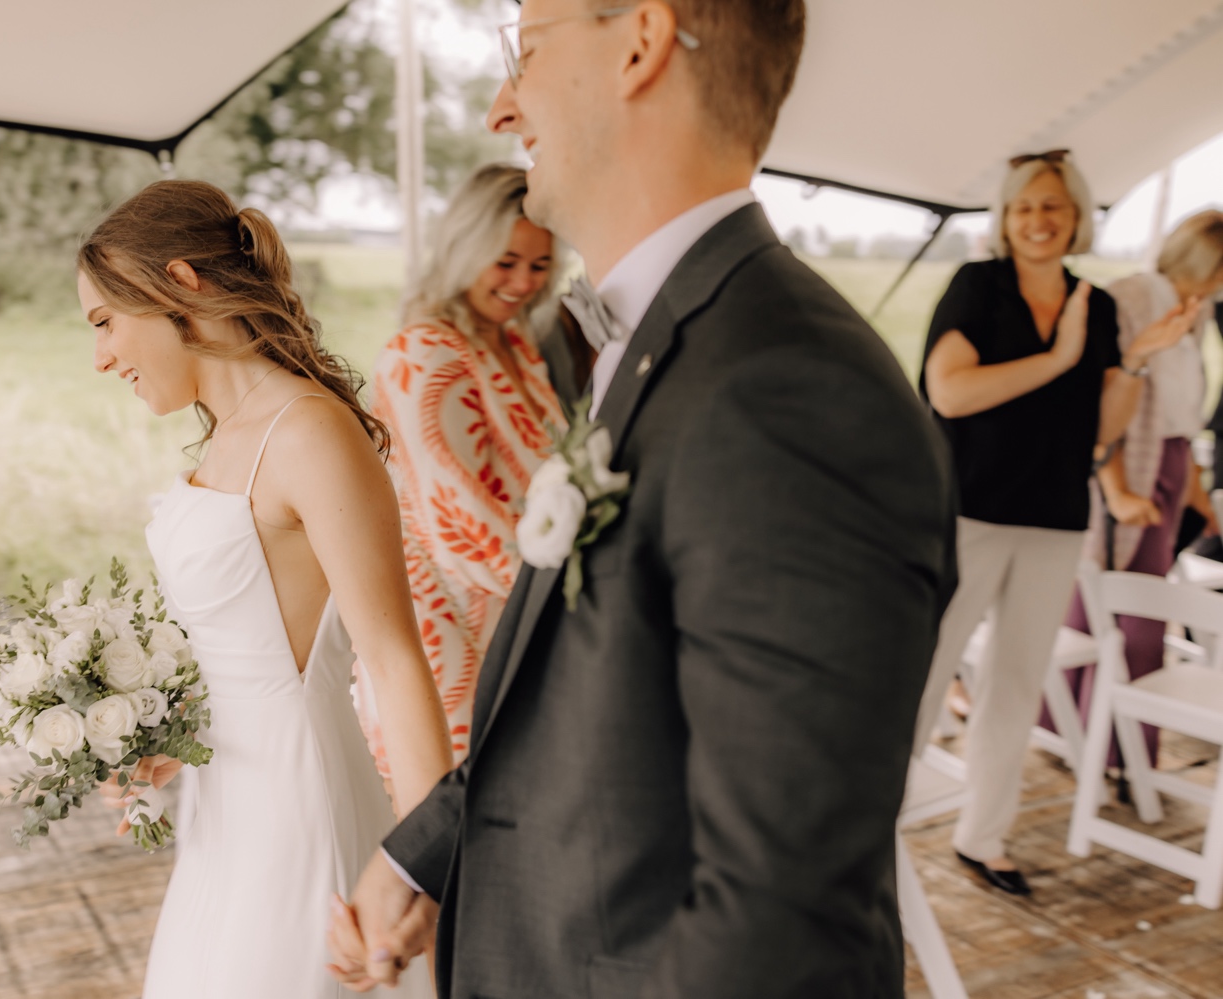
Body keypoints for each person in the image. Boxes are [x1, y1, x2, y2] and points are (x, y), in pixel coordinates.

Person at [329, 2, 958, 997]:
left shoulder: (789, 391)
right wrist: (433, 852)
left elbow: (780, 916)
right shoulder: (664, 341)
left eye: (525, 53)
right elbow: (610, 686)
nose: (502, 106)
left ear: (641, 43)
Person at [76, 179, 451, 998]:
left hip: (296, 811)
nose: (101, 356)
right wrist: (165, 743)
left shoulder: (308, 431)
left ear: (180, 283)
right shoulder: (223, 442)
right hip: (220, 817)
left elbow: (392, 661)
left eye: (105, 322)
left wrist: (427, 864)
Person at [914, 151, 1195, 896]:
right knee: (926, 670)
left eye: (1053, 207)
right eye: (1024, 207)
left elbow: (1100, 431)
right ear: (1006, 218)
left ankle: (984, 837)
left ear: (1076, 218)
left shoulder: (1095, 304)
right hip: (969, 512)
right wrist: (1061, 355)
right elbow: (950, 392)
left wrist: (1132, 362)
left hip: (1056, 518)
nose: (1038, 220)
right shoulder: (980, 287)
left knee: (1014, 683)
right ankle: (869, 836)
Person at [361, 164, 565, 769]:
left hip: (518, 612)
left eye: (540, 265)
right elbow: (463, 527)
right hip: (450, 626)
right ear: (465, 247)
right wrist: (583, 602)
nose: (523, 282)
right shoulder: (423, 351)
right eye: (506, 262)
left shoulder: (517, 346)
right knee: (455, 827)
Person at [1055, 210, 1223, 768]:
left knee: (1115, 606)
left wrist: (1198, 497)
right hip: (1129, 469)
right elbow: (1105, 403)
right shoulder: (1130, 299)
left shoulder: (1193, 309)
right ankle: (1110, 748)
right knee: (1130, 612)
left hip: (1169, 462)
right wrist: (1120, 488)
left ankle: (1093, 741)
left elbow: (1179, 414)